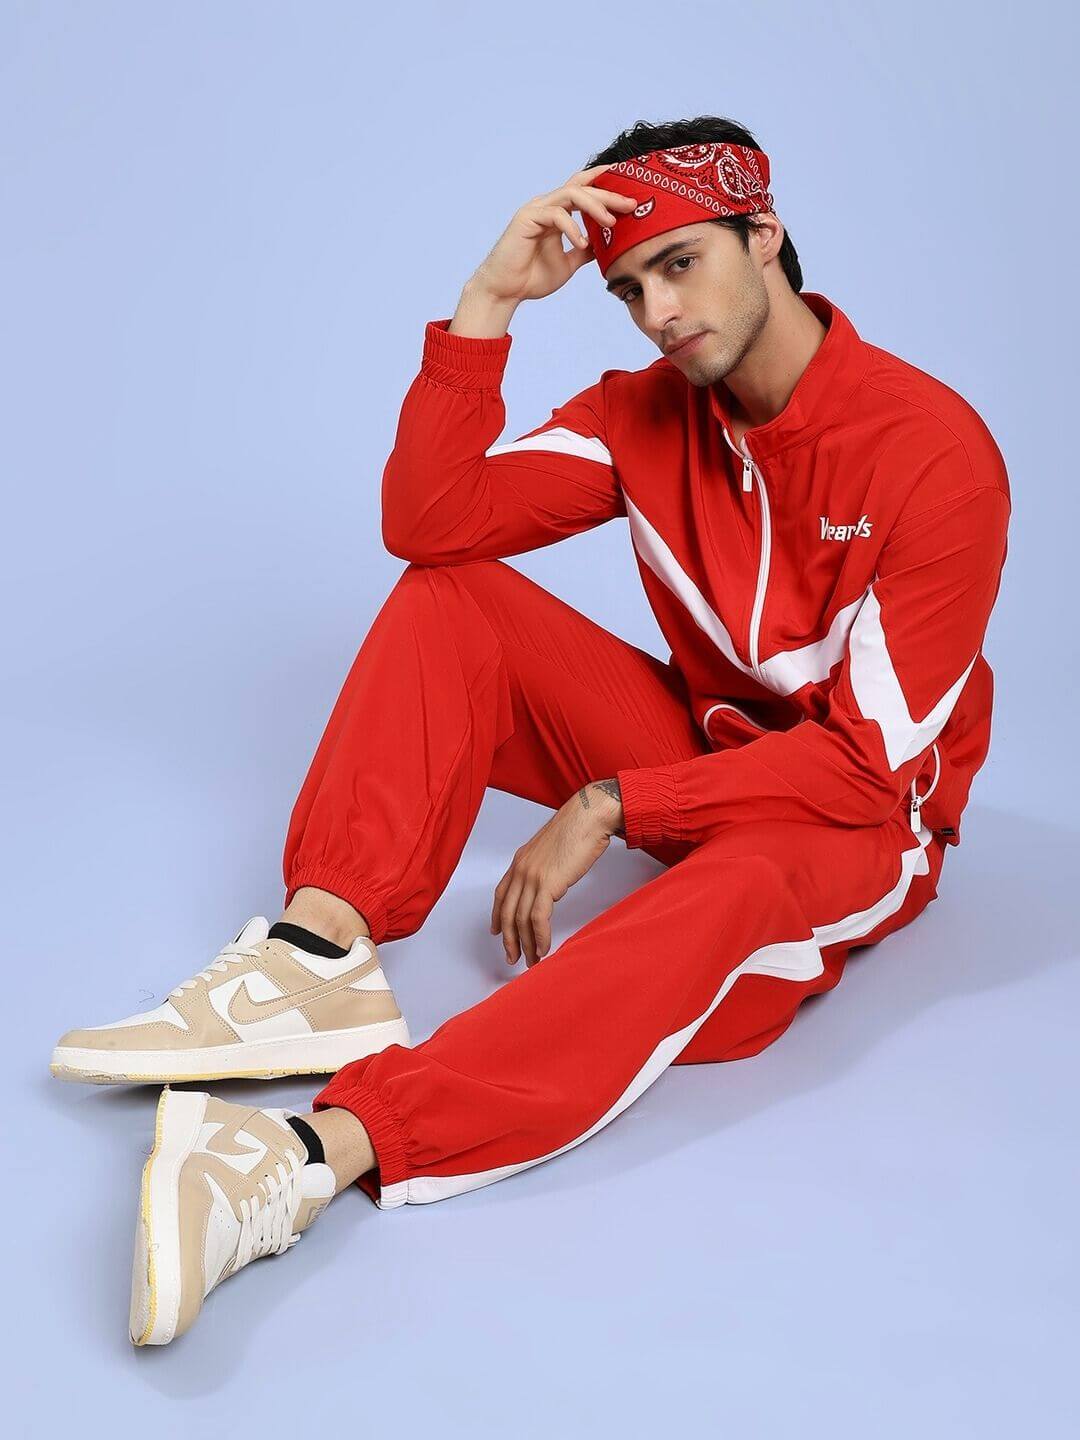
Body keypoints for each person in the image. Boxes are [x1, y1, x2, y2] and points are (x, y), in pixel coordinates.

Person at [51, 115, 1011, 1346]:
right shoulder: (644, 415)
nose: (658, 312)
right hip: (704, 743)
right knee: (454, 598)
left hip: (858, 818)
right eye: (626, 290)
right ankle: (314, 958)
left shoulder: (935, 453)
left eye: (680, 265)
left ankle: (305, 1154)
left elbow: (869, 765)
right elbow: (430, 520)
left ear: (763, 234)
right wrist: (486, 302)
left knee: (740, 885)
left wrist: (617, 804)